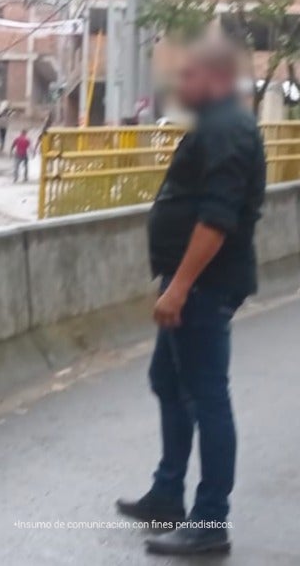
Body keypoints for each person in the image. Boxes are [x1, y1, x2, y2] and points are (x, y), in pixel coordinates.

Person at [115, 38, 265, 556]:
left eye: (191, 76)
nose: (181, 86)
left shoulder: (228, 130)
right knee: (168, 380)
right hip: (190, 282)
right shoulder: (218, 125)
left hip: (203, 284)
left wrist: (179, 287)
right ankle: (166, 493)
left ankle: (210, 521)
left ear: (219, 80)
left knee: (206, 396)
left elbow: (218, 218)